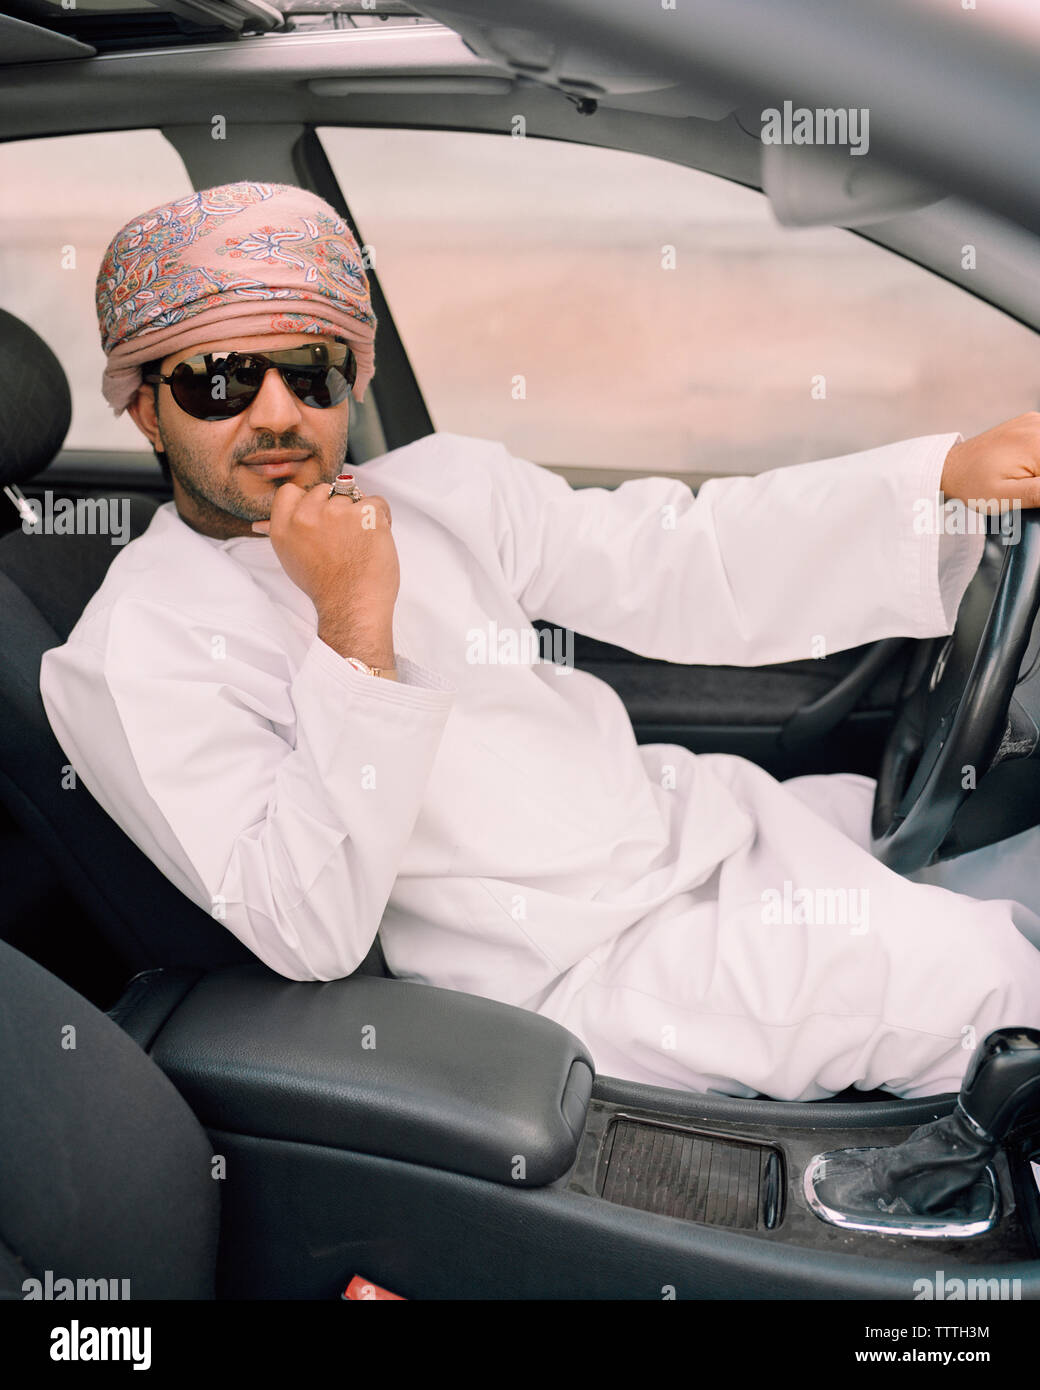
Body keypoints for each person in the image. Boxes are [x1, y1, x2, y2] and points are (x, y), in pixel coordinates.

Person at [39, 180, 1040, 1102]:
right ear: (141, 406)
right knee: (999, 990)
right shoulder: (132, 654)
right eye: (218, 379)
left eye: (312, 373)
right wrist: (352, 624)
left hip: (697, 829)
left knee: (1013, 855)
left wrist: (940, 478)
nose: (276, 414)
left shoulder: (437, 488)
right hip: (582, 968)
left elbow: (679, 558)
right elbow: (308, 926)